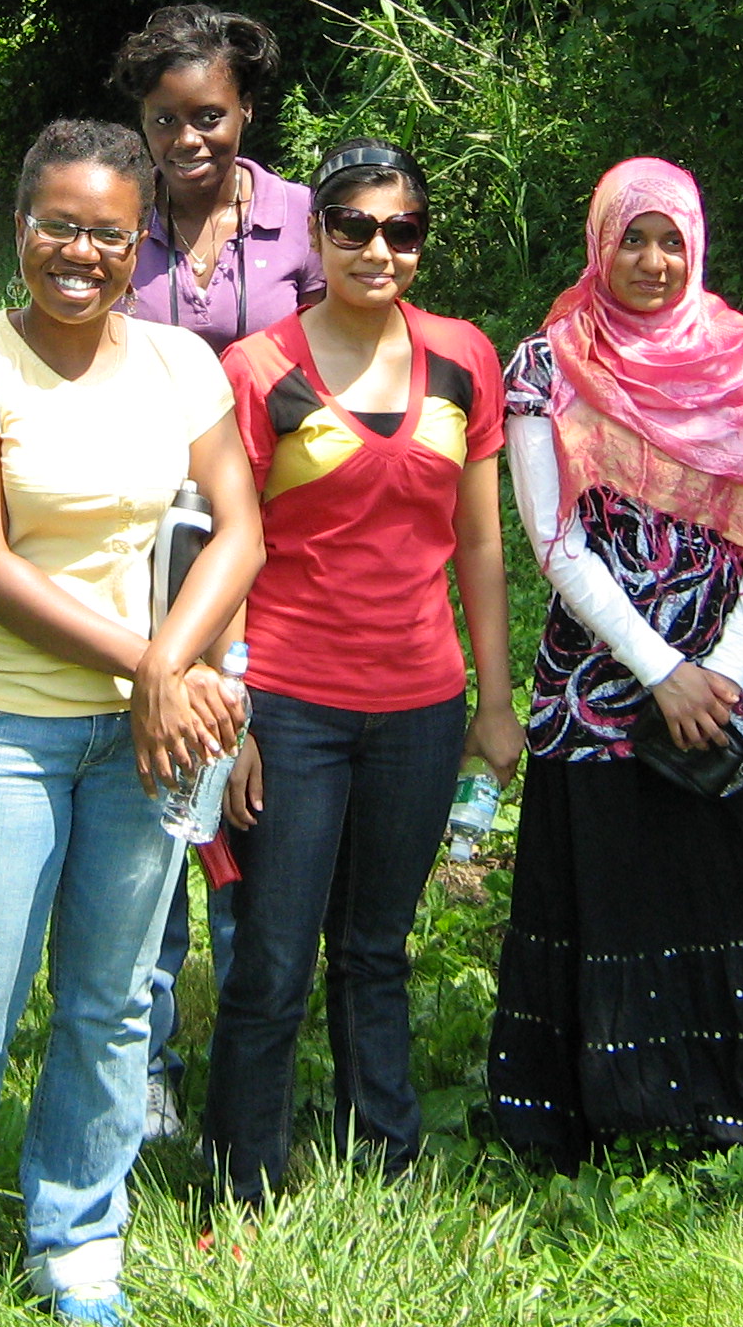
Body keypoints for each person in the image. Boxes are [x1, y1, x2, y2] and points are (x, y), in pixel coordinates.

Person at [0, 120, 264, 1326]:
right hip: (5, 725)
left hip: (151, 732)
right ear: (20, 227)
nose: (78, 252)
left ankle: (78, 1232)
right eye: (57, 226)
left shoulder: (181, 367)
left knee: (113, 1002)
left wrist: (167, 675)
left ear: (137, 241)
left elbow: (241, 530)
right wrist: (156, 667)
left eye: (105, 232)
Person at [487, 158, 743, 1163]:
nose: (651, 259)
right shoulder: (548, 367)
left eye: (670, 239)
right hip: (606, 682)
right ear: (600, 243)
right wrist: (662, 670)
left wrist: (723, 671)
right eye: (631, 238)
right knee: (620, 886)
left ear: (697, 246)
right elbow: (554, 541)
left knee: (731, 884)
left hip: (742, 679)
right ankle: (617, 1109)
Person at [199, 139, 515, 1205]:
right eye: (355, 229)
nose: (379, 249)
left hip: (422, 704)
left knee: (377, 946)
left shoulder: (467, 357)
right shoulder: (257, 370)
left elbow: (480, 544)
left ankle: (385, 1158)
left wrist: (496, 703)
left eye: (402, 230)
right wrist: (232, 705)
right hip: (289, 702)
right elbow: (230, 547)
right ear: (319, 236)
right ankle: (243, 1172)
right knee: (275, 957)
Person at [107, 2, 324, 1141]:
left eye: (210, 116)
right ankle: (143, 1065)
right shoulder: (113, 220)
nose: (189, 141)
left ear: (245, 111)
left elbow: (345, 371)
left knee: (249, 805)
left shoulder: (303, 224)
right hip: (137, 550)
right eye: (164, 122)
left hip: (279, 548)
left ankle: (255, 1068)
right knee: (152, 806)